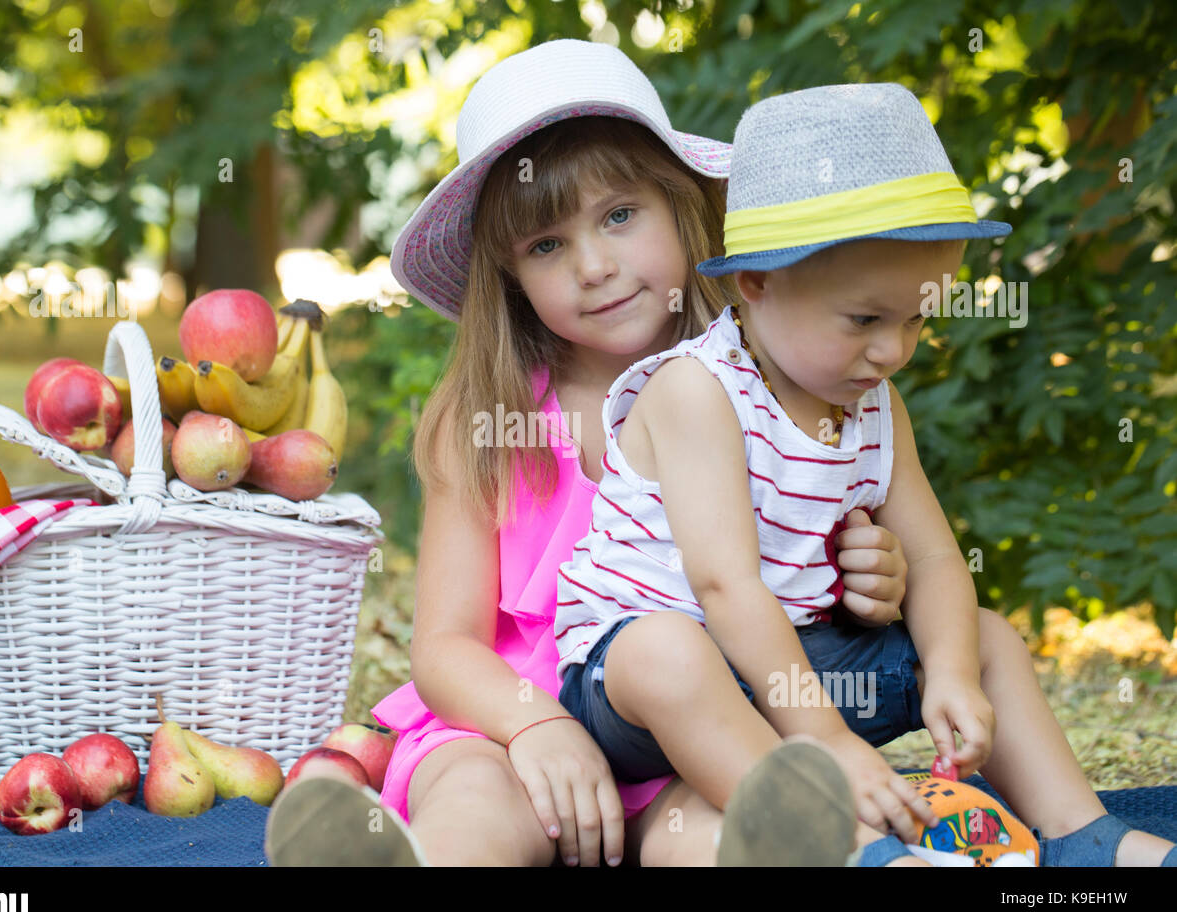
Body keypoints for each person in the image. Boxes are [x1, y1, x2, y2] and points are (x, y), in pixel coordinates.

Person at [264, 41, 914, 867]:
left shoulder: (769, 388)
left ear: (680, 205)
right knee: (474, 801)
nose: (595, 267)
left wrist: (868, 581)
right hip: (510, 725)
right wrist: (537, 723)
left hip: (695, 733)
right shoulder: (488, 419)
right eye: (546, 246)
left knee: (732, 830)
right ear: (509, 275)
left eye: (618, 216)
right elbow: (445, 647)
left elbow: (797, 582)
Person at [552, 82, 1177, 867]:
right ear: (757, 283)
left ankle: (1085, 837)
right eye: (866, 320)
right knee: (668, 650)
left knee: (982, 636)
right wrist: (827, 741)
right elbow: (727, 591)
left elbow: (937, 558)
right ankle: (841, 840)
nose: (895, 351)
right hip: (641, 691)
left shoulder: (875, 402)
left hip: (797, 660)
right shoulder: (697, 391)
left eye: (918, 319)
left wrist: (950, 674)